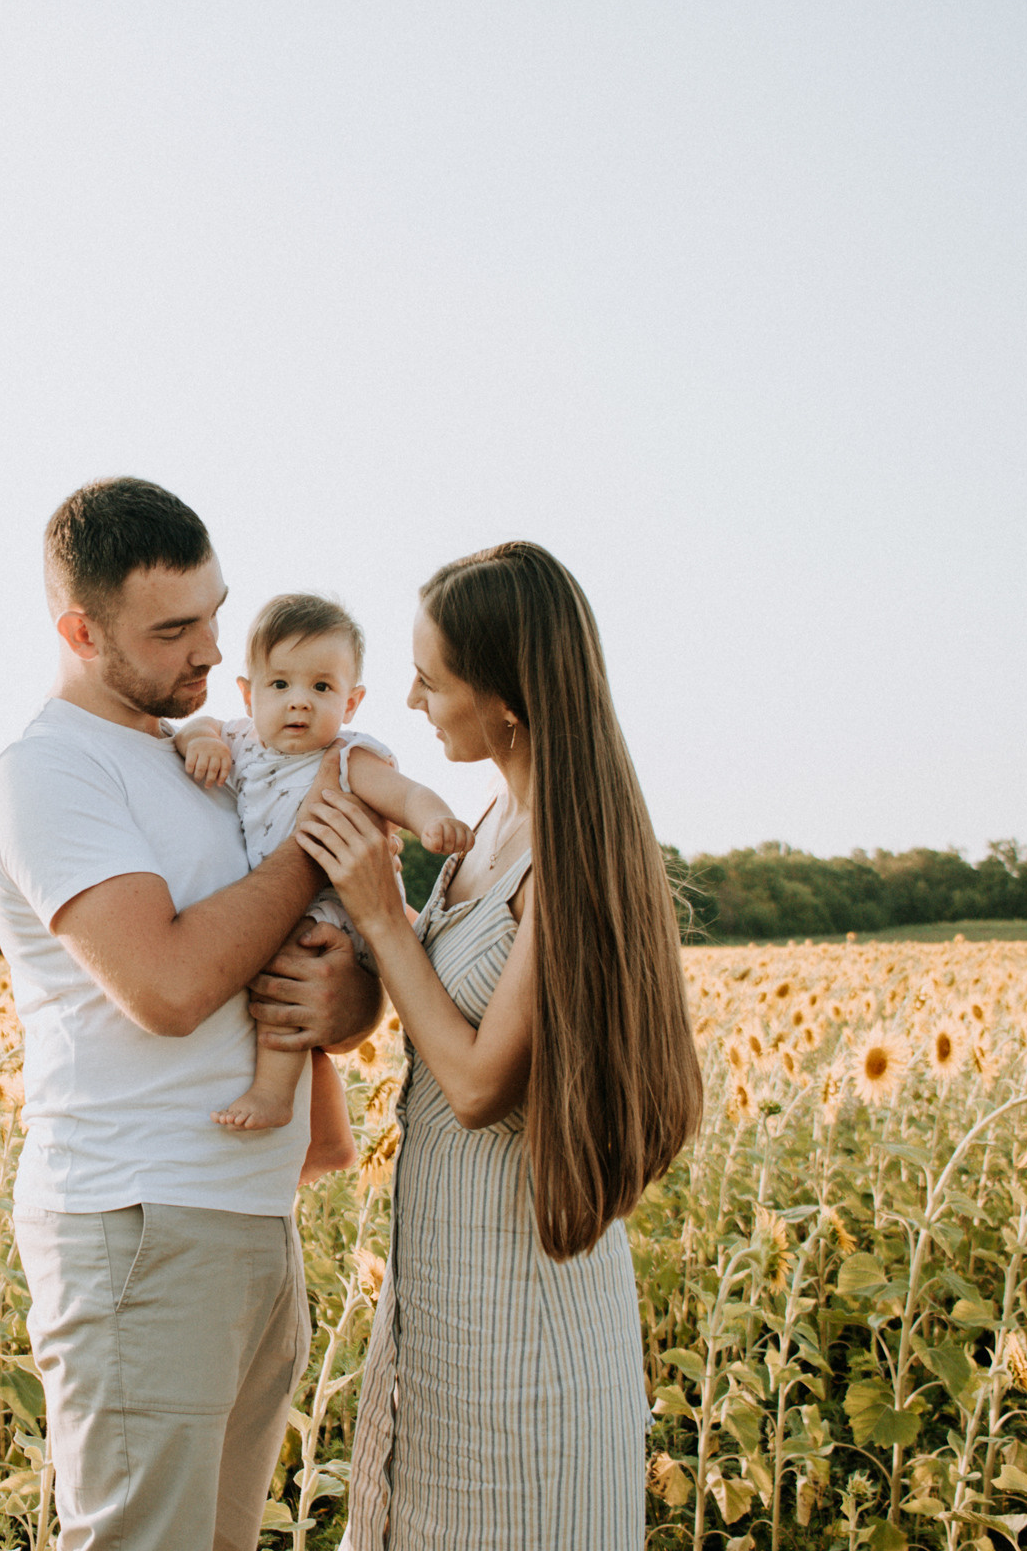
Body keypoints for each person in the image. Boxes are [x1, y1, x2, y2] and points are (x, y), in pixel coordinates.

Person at [0, 478, 385, 1551]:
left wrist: (351, 996)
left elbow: (293, 950)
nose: (211, 655)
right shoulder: (51, 773)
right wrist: (320, 835)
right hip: (139, 1220)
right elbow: (166, 986)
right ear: (78, 630)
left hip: (247, 1214)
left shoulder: (204, 755)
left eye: (213, 613)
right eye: (172, 630)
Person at [291, 542, 704, 1549]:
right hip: (444, 1307)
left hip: (527, 1330)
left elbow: (477, 1083)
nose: (413, 698)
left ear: (507, 700)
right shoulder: (489, 817)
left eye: (434, 679)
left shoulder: (567, 848)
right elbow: (446, 1021)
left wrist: (383, 918)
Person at [170, 592, 472, 1132]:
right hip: (285, 898)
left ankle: (274, 1093)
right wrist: (200, 741)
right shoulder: (240, 742)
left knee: (290, 965)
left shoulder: (347, 758)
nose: (299, 702)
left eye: (322, 687)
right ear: (248, 693)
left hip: (336, 906)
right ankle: (324, 1129)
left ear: (351, 704)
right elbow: (198, 727)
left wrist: (434, 821)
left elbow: (406, 795)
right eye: (280, 684)